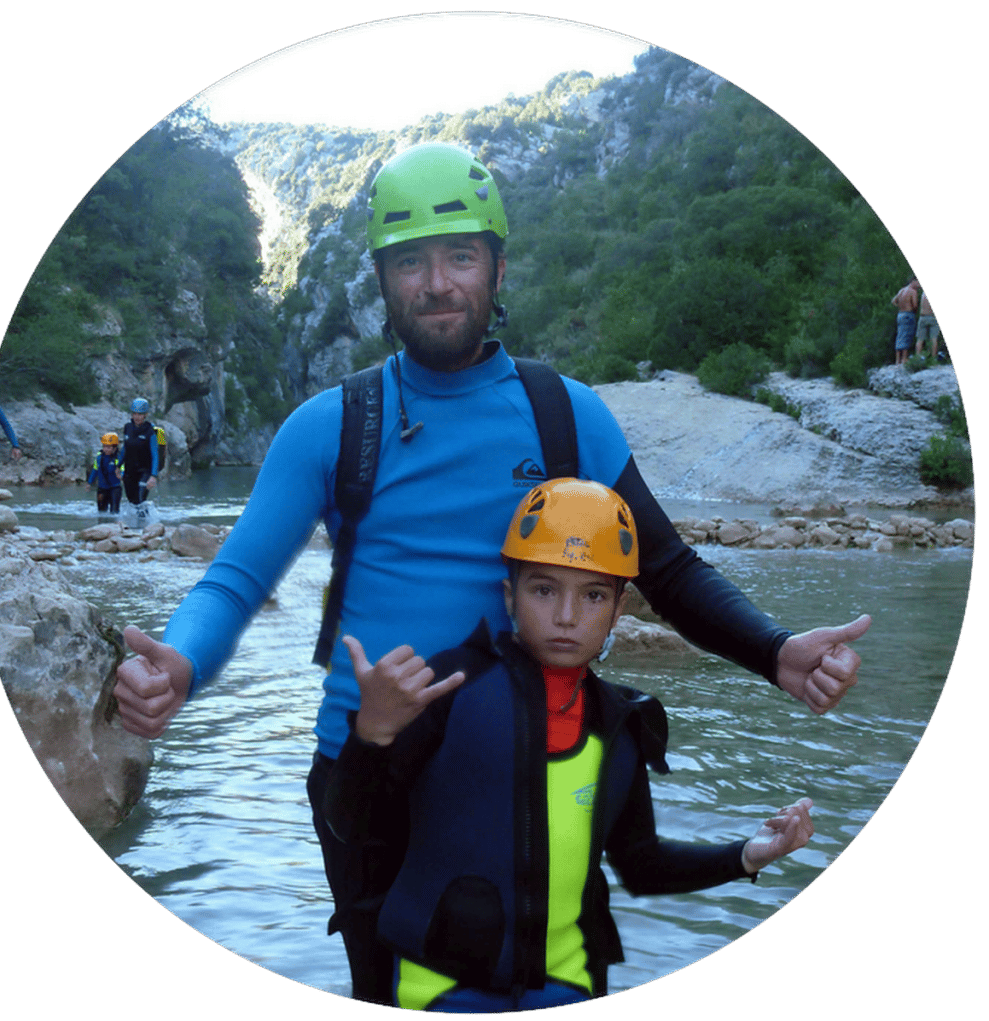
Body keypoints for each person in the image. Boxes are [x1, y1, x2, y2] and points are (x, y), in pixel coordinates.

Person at [112, 143, 870, 1004]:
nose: (436, 282)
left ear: (498, 267)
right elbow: (236, 580)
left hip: (525, 768)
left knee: (533, 977)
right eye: (410, 260)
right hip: (370, 766)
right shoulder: (333, 425)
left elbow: (663, 565)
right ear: (383, 278)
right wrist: (181, 661)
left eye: (460, 255)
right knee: (385, 983)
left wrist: (775, 650)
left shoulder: (565, 413)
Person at [323, 478, 816, 1011]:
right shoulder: (447, 688)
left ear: (619, 608)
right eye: (543, 589)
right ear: (510, 596)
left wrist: (745, 856)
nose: (566, 616)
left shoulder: (619, 722)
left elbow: (641, 864)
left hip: (571, 984)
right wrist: (370, 734)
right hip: (437, 989)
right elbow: (352, 828)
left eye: (593, 594)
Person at [121, 397, 158, 515]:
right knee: (132, 501)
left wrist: (153, 476)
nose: (137, 417)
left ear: (145, 415)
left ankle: (147, 527)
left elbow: (155, 455)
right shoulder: (127, 427)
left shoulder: (150, 431)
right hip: (129, 471)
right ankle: (135, 526)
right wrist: (117, 466)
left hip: (145, 471)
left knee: (141, 499)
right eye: (134, 414)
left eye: (140, 414)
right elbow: (125, 449)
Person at [85, 432, 124, 515]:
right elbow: (95, 470)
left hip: (115, 488)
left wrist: (122, 475)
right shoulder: (99, 457)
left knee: (114, 512)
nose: (106, 449)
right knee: (101, 511)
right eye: (104, 447)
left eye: (108, 447)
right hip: (102, 488)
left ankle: (115, 526)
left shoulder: (118, 458)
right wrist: (89, 483)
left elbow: (123, 469)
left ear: (114, 448)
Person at [891, 277, 921, 365]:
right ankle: (904, 359)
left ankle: (897, 360)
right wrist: (913, 310)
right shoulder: (913, 291)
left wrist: (900, 306)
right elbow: (915, 305)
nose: (919, 286)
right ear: (913, 281)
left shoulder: (902, 290)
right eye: (918, 283)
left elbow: (893, 301)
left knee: (900, 335)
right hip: (908, 314)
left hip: (900, 314)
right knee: (907, 335)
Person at [915, 290, 940, 362]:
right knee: (934, 339)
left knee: (920, 339)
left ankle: (917, 358)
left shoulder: (923, 293)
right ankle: (933, 358)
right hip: (932, 317)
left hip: (922, 317)